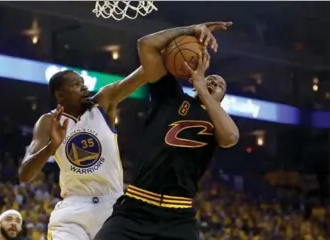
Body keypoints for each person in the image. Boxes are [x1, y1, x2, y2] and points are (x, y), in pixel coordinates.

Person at [94, 21, 239, 240]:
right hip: (135, 207)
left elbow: (231, 137)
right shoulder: (171, 96)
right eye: (210, 79)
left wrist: (203, 87)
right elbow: (146, 45)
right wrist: (190, 30)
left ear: (221, 99)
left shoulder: (217, 120)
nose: (213, 83)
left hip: (177, 217)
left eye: (219, 85)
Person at [18, 66, 147, 240]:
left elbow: (144, 73)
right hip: (73, 210)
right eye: (76, 84)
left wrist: (176, 42)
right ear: (60, 95)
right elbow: (25, 174)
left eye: (83, 83)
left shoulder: (103, 101)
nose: (84, 87)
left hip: (112, 206)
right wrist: (51, 147)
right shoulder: (49, 121)